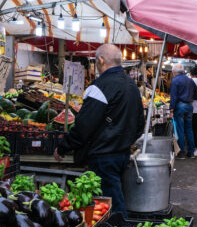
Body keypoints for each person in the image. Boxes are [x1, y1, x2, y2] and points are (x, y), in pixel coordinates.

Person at [54, 44, 144, 218]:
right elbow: (140, 124)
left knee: (110, 204)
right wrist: (123, 141)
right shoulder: (132, 86)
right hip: (122, 154)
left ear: (101, 61)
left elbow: (83, 127)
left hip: (103, 156)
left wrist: (64, 147)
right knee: (113, 198)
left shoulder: (99, 87)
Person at [169, 63, 197, 159]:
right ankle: (191, 152)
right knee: (189, 129)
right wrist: (191, 98)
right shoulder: (190, 80)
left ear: (175, 72)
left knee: (180, 129)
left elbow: (173, 96)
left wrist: (171, 109)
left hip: (180, 106)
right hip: (189, 106)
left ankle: (181, 152)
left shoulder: (175, 80)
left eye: (173, 72)